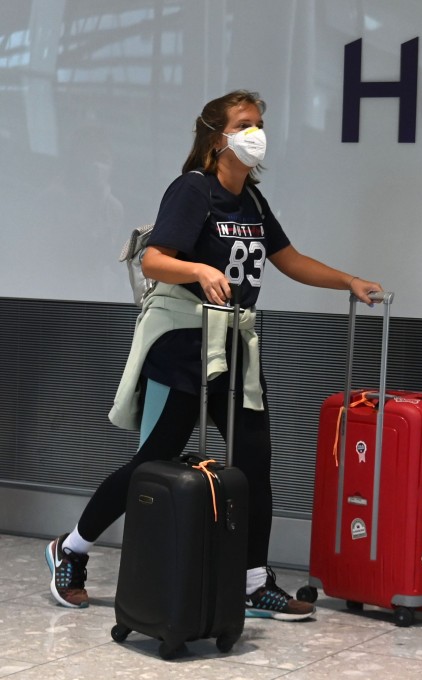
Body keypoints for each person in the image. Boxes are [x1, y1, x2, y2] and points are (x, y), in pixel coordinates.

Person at [43, 90, 382, 621]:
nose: (257, 133)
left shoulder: (251, 200)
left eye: (261, 123)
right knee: (153, 460)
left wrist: (349, 281)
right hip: (188, 342)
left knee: (255, 461)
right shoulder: (192, 191)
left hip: (236, 343)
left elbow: (288, 259)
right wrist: (200, 270)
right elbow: (155, 259)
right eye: (246, 124)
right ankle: (72, 549)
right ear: (216, 136)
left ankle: (252, 580)